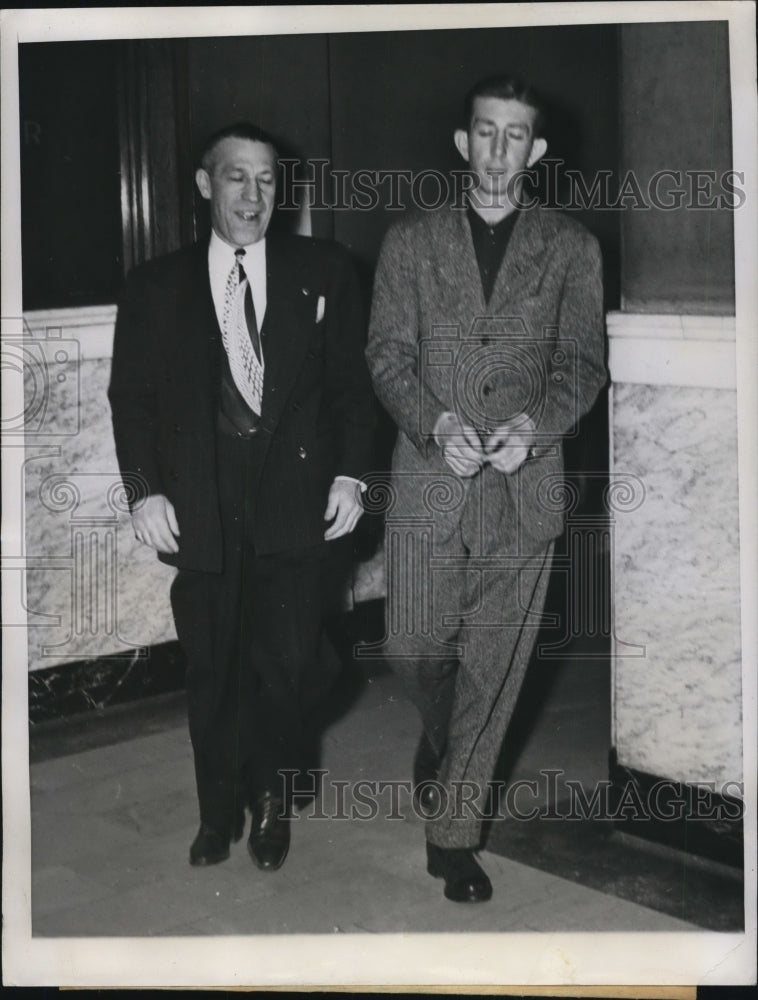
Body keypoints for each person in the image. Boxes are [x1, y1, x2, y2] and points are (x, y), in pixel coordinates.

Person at [366, 76, 607, 902]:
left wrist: (534, 427)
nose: (499, 150)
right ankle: (442, 738)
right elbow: (387, 355)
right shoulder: (410, 241)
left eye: (517, 136)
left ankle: (454, 836)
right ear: (462, 143)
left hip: (525, 487)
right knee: (412, 647)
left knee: (495, 671)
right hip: (429, 482)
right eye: (485, 132)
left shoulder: (573, 247)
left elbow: (584, 366)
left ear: (536, 152)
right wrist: (435, 422)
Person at [109, 122, 375, 872]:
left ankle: (276, 803)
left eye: (266, 180)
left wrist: (354, 475)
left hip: (297, 510)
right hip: (202, 513)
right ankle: (217, 812)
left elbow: (357, 391)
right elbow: (130, 399)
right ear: (205, 185)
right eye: (236, 178)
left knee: (291, 670)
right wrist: (143, 493)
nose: (254, 195)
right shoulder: (155, 287)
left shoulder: (323, 270)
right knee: (213, 669)